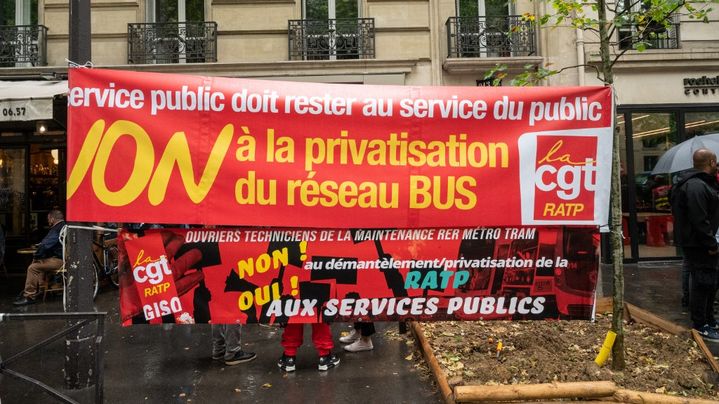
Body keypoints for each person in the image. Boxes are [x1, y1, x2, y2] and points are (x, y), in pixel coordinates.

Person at [671, 149, 719, 340]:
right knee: (703, 282)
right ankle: (701, 324)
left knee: (709, 281)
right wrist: (710, 242)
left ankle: (708, 319)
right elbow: (699, 218)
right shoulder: (696, 186)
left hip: (700, 241)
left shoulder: (699, 183)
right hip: (699, 244)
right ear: (712, 162)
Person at [13, 210, 66, 306]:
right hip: (64, 259)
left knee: (32, 268)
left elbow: (44, 245)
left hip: (59, 260)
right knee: (39, 265)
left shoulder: (56, 229)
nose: (48, 221)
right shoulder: (64, 226)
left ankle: (29, 296)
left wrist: (36, 256)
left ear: (52, 219)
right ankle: (40, 289)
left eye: (48, 219)